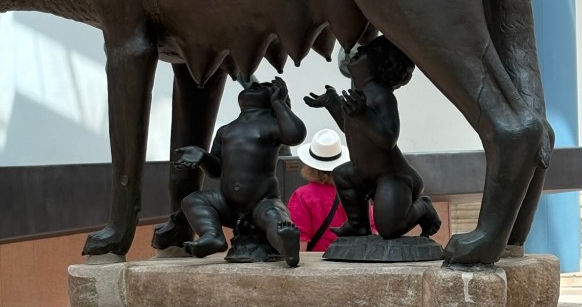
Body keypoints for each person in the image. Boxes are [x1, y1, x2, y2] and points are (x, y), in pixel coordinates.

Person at [305, 37, 441, 239]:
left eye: (370, 50)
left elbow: (388, 138)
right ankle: (358, 225)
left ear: (382, 65)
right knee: (342, 173)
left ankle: (424, 207)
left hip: (392, 175)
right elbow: (351, 128)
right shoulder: (360, 94)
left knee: (389, 229)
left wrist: (363, 115)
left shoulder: (382, 96)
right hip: (364, 172)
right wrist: (332, 103)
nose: (360, 51)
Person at [174, 77, 306, 266]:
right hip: (227, 204)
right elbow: (216, 171)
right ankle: (213, 235)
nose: (255, 86)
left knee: (274, 217)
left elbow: (296, 135)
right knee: (193, 200)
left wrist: (279, 103)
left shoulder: (272, 126)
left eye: (265, 87)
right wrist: (203, 157)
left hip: (263, 202)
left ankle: (286, 246)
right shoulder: (225, 130)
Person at [288, 129, 351, 252]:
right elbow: (371, 231)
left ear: (309, 166)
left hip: (317, 260)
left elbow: (300, 241)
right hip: (349, 258)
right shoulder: (356, 193)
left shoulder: (302, 195)